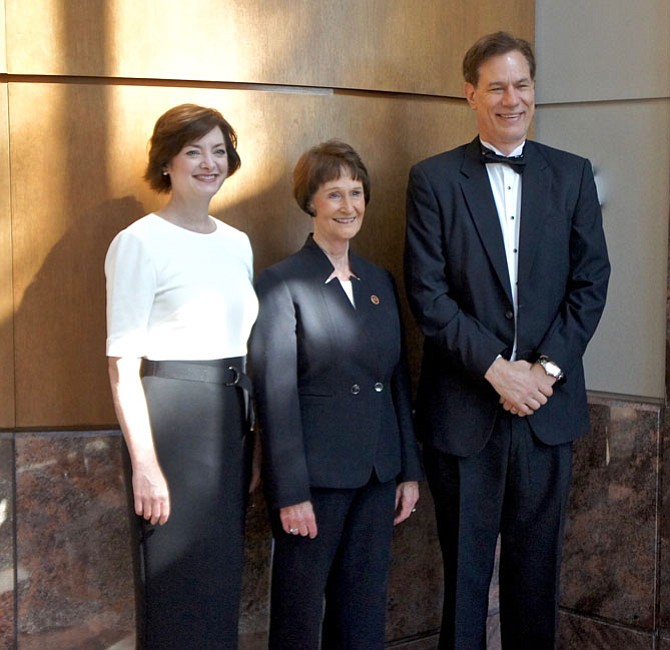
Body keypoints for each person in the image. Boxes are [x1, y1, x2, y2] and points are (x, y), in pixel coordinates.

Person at [404, 32, 610, 649]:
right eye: (496, 86)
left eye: (521, 84)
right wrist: (499, 372)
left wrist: (543, 371)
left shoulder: (572, 175)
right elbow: (429, 296)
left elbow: (591, 281)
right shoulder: (433, 180)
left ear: (534, 91)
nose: (511, 98)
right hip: (466, 412)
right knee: (465, 582)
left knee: (536, 578)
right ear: (471, 94)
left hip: (547, 412)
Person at [250, 140, 423, 649]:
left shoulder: (380, 281)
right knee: (300, 619)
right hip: (315, 485)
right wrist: (290, 493)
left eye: (356, 192)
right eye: (334, 194)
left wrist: (408, 470)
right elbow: (274, 397)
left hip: (376, 475)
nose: (349, 206)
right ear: (310, 202)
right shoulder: (281, 283)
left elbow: (396, 381)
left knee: (363, 613)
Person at [105, 104, 259, 650]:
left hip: (230, 421)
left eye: (218, 151)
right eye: (194, 150)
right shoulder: (139, 241)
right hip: (172, 420)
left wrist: (254, 442)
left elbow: (240, 346)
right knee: (173, 586)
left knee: (219, 584)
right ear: (167, 162)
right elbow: (122, 364)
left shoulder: (237, 242)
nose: (208, 162)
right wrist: (145, 465)